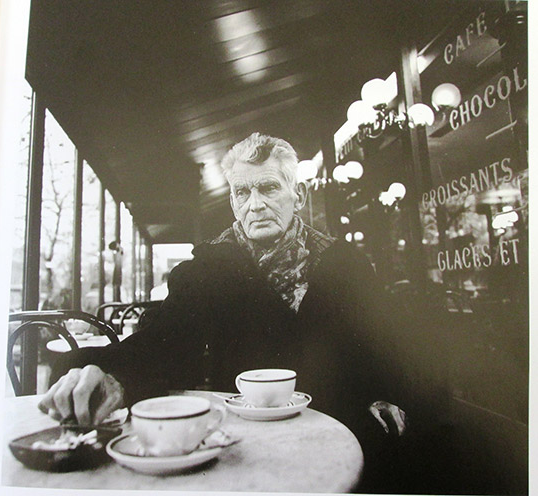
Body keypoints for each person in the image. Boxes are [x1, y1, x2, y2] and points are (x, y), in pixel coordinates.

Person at [40, 133, 413, 490]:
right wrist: (111, 374)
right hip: (240, 440)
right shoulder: (203, 271)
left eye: (268, 188)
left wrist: (384, 395)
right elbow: (161, 343)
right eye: (242, 192)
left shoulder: (345, 264)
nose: (255, 204)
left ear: (297, 195)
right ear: (233, 201)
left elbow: (380, 347)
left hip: (331, 429)